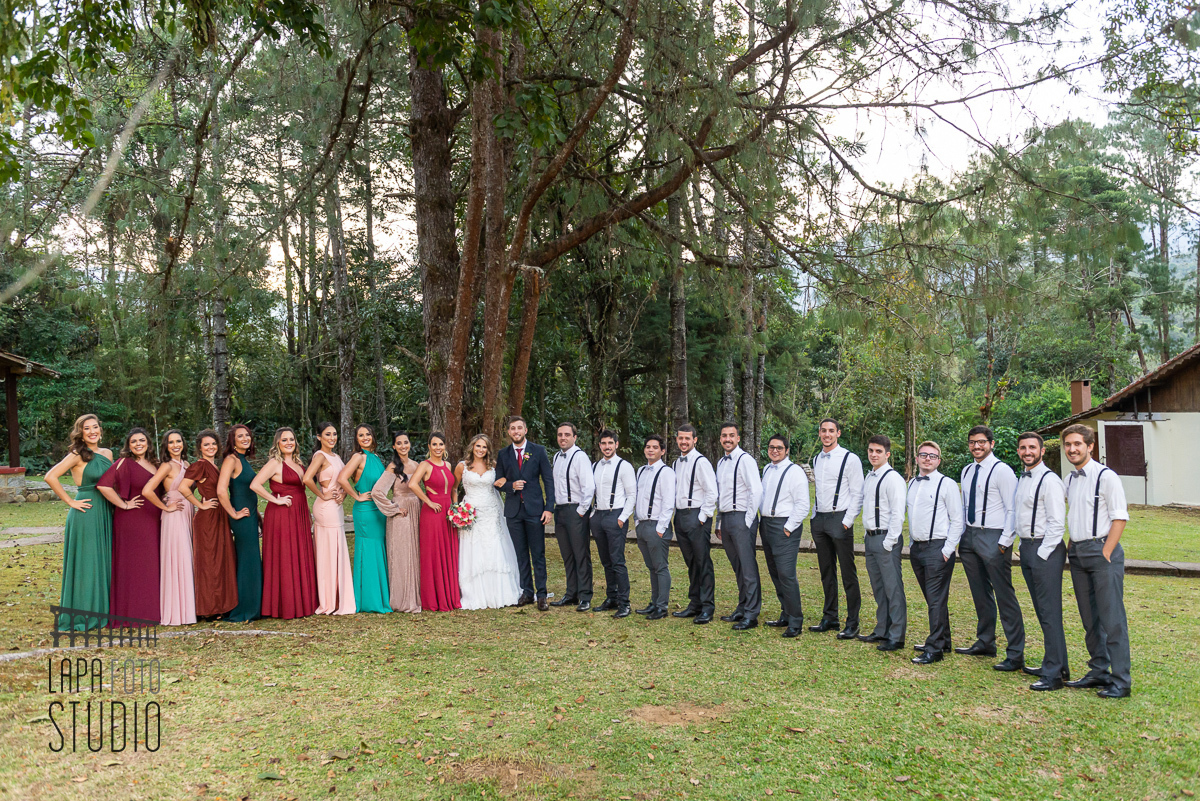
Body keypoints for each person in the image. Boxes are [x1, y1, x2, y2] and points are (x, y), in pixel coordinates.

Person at [1061, 423, 1132, 699]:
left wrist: (1106, 552)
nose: (1072, 449)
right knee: (1089, 618)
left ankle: (1121, 681)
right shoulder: (1069, 479)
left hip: (1102, 551)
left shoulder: (1107, 477)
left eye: (1077, 444)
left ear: (1090, 446)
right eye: (1068, 444)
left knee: (1112, 619)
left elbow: (1119, 517)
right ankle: (1099, 670)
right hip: (1078, 553)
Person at [957, 425, 1024, 671]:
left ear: (991, 444)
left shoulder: (1002, 471)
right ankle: (985, 642)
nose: (977, 446)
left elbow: (1012, 509)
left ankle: (1015, 653)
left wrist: (1005, 542)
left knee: (1004, 595)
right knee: (980, 593)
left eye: (982, 442)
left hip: (994, 537)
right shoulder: (966, 470)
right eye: (973, 442)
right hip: (970, 536)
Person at [1009, 431, 1069, 691]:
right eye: (1023, 448)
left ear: (1042, 451)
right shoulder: (1022, 478)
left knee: (1049, 612)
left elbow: (1057, 523)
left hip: (1046, 549)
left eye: (1032, 447)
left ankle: (1054, 674)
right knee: (1043, 609)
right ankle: (1058, 664)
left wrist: (1042, 553)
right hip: (1029, 548)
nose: (1027, 451)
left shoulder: (1050, 480)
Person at [46, 414, 114, 630]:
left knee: (103, 561)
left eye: (95, 427)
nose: (93, 431)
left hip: (106, 511)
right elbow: (50, 476)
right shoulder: (77, 454)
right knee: (87, 563)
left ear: (100, 430)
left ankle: (103, 611)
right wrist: (70, 501)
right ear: (81, 432)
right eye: (87, 428)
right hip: (86, 512)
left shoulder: (107, 453)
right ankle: (84, 614)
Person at [251, 427, 318, 619]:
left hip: (299, 513)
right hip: (281, 515)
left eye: (292, 439)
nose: (289, 442)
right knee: (285, 555)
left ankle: (303, 601)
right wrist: (275, 500)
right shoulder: (275, 463)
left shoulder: (297, 462)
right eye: (284, 440)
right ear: (277, 444)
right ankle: (285, 604)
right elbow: (255, 484)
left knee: (299, 552)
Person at [97, 427, 162, 624]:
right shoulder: (124, 462)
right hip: (132, 520)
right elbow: (103, 485)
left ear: (148, 443)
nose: (138, 444)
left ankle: (151, 609)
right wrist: (124, 504)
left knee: (151, 564)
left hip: (154, 519)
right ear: (128, 446)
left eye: (142, 440)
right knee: (134, 565)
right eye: (133, 442)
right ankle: (133, 613)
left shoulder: (155, 464)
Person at [907, 440, 963, 665]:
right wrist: (912, 543)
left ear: (938, 460)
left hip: (938, 548)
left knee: (936, 600)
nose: (927, 459)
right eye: (923, 455)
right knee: (933, 598)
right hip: (917, 548)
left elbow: (957, 520)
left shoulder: (947, 484)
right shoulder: (912, 483)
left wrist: (947, 550)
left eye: (932, 456)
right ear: (917, 458)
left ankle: (935, 649)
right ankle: (943, 640)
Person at [808, 418, 864, 639]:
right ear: (820, 433)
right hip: (820, 520)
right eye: (823, 431)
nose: (827, 434)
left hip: (840, 519)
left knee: (848, 573)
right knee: (826, 571)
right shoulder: (816, 459)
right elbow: (820, 491)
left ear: (838, 433)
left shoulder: (850, 459)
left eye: (831, 431)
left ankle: (853, 622)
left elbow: (858, 493)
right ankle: (830, 617)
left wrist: (847, 521)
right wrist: (814, 516)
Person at [454, 434, 522, 609]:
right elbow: (454, 488)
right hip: (471, 512)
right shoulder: (462, 466)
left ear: (488, 449)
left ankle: (499, 592)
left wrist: (505, 480)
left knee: (494, 546)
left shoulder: (493, 466)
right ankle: (474, 593)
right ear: (472, 447)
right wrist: (456, 509)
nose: (481, 450)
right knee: (474, 548)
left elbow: (504, 480)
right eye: (478, 446)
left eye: (484, 447)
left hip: (492, 511)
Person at [494, 416, 556, 610]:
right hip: (514, 512)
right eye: (512, 429)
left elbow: (548, 480)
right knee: (521, 554)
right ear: (509, 432)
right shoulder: (503, 454)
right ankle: (527, 592)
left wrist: (549, 508)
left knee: (538, 553)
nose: (516, 431)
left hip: (535, 510)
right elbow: (498, 481)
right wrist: (512, 485)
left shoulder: (538, 451)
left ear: (526, 430)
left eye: (519, 428)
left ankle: (542, 594)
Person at [180, 430, 238, 619]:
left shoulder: (215, 466)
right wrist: (200, 505)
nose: (210, 447)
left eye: (213, 444)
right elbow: (183, 487)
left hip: (220, 515)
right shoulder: (200, 465)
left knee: (221, 559)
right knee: (209, 562)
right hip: (208, 517)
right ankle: (209, 608)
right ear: (199, 448)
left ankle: (221, 604)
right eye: (206, 445)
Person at [141, 430, 196, 626]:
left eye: (178, 441)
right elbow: (147, 490)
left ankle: (189, 609)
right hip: (174, 514)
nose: (175, 445)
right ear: (166, 446)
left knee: (187, 557)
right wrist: (166, 506)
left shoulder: (188, 465)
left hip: (188, 512)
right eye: (171, 442)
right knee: (177, 558)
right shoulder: (166, 466)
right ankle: (176, 612)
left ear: (183, 443)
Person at [757, 434, 810, 639]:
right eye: (771, 447)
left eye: (779, 448)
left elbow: (803, 504)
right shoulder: (767, 469)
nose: (775, 451)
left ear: (787, 450)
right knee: (775, 572)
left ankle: (796, 621)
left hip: (785, 525)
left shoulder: (795, 471)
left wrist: (788, 527)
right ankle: (785, 613)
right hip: (767, 524)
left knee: (787, 574)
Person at [858, 435, 907, 652]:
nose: (873, 454)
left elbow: (898, 513)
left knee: (893, 588)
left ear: (887, 454)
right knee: (879, 588)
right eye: (871, 450)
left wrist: (890, 541)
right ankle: (882, 629)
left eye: (878, 451)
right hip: (870, 538)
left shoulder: (892, 478)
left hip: (887, 539)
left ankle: (896, 636)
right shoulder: (870, 476)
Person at [715, 422, 763, 631]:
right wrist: (719, 521)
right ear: (720, 439)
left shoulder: (746, 460)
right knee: (738, 567)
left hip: (742, 518)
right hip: (726, 519)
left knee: (748, 567)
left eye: (731, 435)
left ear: (738, 438)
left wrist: (748, 519)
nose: (727, 439)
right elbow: (720, 495)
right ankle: (742, 607)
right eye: (724, 435)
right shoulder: (721, 463)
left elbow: (756, 490)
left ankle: (752, 614)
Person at [339, 425, 390, 614]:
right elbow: (343, 478)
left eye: (368, 433)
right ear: (356, 439)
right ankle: (369, 600)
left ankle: (381, 596)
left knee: (378, 549)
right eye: (361, 435)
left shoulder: (375, 458)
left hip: (379, 510)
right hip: (365, 510)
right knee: (368, 551)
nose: (365, 437)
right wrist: (357, 495)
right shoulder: (358, 457)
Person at [304, 423, 355, 615]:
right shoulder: (320, 456)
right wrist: (323, 494)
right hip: (326, 508)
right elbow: (308, 478)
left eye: (334, 434)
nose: (332, 437)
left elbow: (342, 480)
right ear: (319, 437)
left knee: (337, 549)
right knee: (328, 552)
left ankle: (338, 595)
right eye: (328, 434)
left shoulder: (337, 456)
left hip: (337, 506)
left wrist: (343, 494)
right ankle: (328, 600)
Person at [408, 432, 461, 611]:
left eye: (441, 444)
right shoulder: (425, 465)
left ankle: (449, 593)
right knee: (434, 553)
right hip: (433, 513)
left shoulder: (447, 464)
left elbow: (454, 488)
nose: (438, 448)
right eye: (434, 444)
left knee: (448, 551)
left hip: (448, 511)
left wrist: (456, 507)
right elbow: (413, 484)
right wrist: (428, 501)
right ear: (429, 446)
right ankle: (434, 597)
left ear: (445, 446)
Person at [672, 424, 718, 624]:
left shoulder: (701, 462)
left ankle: (707, 607)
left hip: (696, 516)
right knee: (691, 562)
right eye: (680, 438)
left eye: (687, 439)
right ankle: (694, 604)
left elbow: (712, 492)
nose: (683, 442)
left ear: (694, 440)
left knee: (702, 562)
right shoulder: (676, 463)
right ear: (677, 440)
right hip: (681, 516)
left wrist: (703, 517)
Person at [371, 431, 422, 613]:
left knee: (415, 552)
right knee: (402, 554)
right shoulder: (393, 467)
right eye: (399, 443)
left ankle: (416, 595)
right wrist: (394, 508)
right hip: (402, 513)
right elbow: (377, 492)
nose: (403, 446)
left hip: (416, 510)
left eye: (405, 442)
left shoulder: (416, 465)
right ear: (394, 446)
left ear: (409, 444)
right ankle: (402, 599)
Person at [216, 424, 262, 622]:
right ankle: (246, 608)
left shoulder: (244, 460)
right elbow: (221, 490)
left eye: (247, 435)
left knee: (251, 558)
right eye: (240, 436)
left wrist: (257, 514)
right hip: (241, 517)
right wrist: (233, 514)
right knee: (248, 559)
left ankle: (255, 605)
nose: (245, 438)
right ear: (232, 441)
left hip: (250, 514)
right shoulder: (231, 460)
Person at [589, 429, 637, 619]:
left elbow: (632, 495)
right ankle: (612, 597)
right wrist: (593, 514)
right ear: (599, 445)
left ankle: (625, 603)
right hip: (599, 516)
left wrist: (622, 518)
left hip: (615, 515)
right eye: (603, 443)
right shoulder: (595, 466)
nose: (607, 447)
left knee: (617, 561)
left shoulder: (624, 466)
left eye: (610, 443)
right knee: (606, 560)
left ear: (616, 444)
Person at [551, 422, 595, 611]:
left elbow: (589, 487)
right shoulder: (556, 457)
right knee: (567, 554)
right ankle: (571, 593)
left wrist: (581, 510)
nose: (563, 438)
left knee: (581, 554)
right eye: (560, 434)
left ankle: (585, 595)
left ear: (574, 437)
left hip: (576, 510)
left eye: (567, 434)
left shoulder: (580, 457)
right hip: (560, 510)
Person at [634, 435, 676, 621]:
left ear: (662, 451)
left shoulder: (666, 472)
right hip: (642, 525)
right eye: (648, 446)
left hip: (657, 525)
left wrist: (661, 528)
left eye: (655, 447)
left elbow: (668, 502)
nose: (650, 450)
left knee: (660, 567)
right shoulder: (641, 470)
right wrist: (636, 522)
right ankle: (654, 602)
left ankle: (662, 606)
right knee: (651, 567)